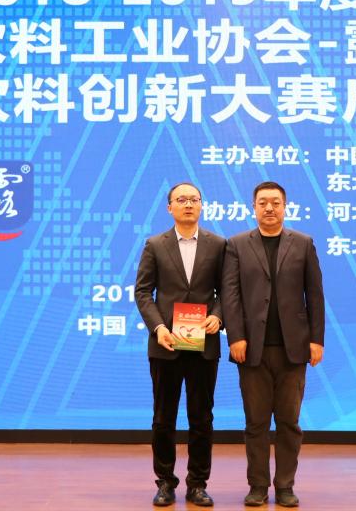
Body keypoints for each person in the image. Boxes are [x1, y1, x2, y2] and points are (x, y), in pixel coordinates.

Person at [222, 181, 325, 508]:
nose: (269, 208)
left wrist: (316, 340)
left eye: (275, 203)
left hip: (294, 349)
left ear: (285, 207)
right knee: (256, 423)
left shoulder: (303, 243)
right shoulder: (237, 244)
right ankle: (257, 486)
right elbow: (230, 295)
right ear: (253, 207)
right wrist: (235, 336)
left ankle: (284, 486)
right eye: (263, 202)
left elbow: (315, 296)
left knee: (289, 423)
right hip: (251, 349)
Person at [135, 182, 226, 507]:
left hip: (203, 344)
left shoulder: (218, 244)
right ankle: (165, 482)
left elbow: (227, 291)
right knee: (164, 418)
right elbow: (143, 292)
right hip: (167, 344)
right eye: (181, 199)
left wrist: (218, 317)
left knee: (201, 418)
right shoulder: (155, 245)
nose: (188, 204)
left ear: (201, 206)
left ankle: (197, 484)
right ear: (169, 207)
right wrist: (158, 327)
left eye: (194, 199)